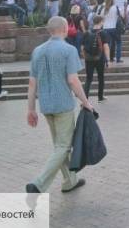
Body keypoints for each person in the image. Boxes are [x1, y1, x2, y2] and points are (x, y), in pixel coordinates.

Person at [25, 16, 94, 194]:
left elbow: (32, 84)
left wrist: (31, 109)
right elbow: (73, 80)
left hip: (46, 105)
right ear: (65, 29)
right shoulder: (68, 50)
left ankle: (70, 181)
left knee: (60, 146)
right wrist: (86, 102)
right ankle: (38, 183)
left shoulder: (37, 51)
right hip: (63, 103)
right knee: (63, 146)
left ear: (49, 30)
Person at [82, 15, 110, 102]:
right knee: (101, 77)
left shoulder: (87, 33)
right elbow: (106, 46)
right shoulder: (103, 33)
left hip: (89, 59)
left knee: (88, 79)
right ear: (101, 22)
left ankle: (85, 99)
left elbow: (82, 47)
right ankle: (100, 97)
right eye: (103, 22)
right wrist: (108, 59)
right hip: (99, 58)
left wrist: (85, 57)